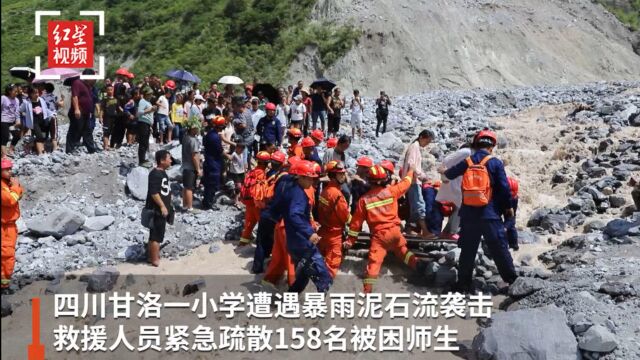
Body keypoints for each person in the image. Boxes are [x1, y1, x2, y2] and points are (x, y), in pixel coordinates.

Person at [440, 129, 518, 293]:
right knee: (499, 248)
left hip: (468, 215)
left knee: (468, 251)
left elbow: (448, 175)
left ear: (476, 144)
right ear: (492, 147)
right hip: (490, 214)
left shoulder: (468, 161)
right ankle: (512, 281)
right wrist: (508, 208)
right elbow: (504, 189)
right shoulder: (495, 162)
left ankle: (463, 284)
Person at [344, 165, 425, 293]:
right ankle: (417, 265)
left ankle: (367, 290)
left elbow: (355, 224)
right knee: (403, 251)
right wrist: (410, 171)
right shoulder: (391, 191)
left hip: (379, 237)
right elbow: (406, 183)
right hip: (395, 233)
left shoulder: (364, 200)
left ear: (369, 180)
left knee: (374, 263)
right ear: (385, 179)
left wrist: (350, 241)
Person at [283, 160, 333, 293]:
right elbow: (294, 215)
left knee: (304, 274)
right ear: (301, 177)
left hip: (294, 240)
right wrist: (309, 232)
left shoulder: (291, 189)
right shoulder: (298, 194)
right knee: (323, 276)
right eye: (310, 179)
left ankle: (290, 299)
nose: (313, 182)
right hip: (302, 242)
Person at [254, 155, 299, 275]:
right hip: (275, 215)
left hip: (265, 210)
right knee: (274, 242)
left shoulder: (269, 174)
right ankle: (269, 266)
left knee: (261, 240)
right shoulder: (287, 180)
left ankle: (258, 266)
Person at [317, 160, 350, 278]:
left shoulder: (325, 191)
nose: (343, 176)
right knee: (331, 266)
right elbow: (345, 217)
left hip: (323, 231)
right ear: (333, 176)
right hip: (334, 235)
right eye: (340, 174)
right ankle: (323, 289)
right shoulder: (337, 195)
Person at [402, 129, 436, 239]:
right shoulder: (414, 147)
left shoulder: (415, 147)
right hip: (413, 181)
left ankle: (409, 228)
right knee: (419, 205)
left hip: (413, 180)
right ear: (421, 137)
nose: (427, 144)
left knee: (415, 206)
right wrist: (422, 176)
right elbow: (412, 165)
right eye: (427, 141)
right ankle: (425, 232)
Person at [436, 142, 473, 240]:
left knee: (458, 207)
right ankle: (452, 232)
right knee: (460, 207)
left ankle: (446, 232)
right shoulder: (467, 152)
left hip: (454, 181)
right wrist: (445, 174)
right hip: (455, 183)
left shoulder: (466, 153)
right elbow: (447, 160)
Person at [145, 150, 174, 267]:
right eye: (169, 158)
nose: (171, 160)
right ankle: (154, 259)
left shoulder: (162, 173)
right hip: (156, 209)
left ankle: (151, 256)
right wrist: (162, 206)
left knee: (157, 234)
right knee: (156, 235)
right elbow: (154, 193)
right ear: (162, 160)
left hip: (162, 208)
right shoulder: (155, 174)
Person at [238, 151, 271, 246]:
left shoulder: (251, 172)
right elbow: (260, 191)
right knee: (262, 225)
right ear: (266, 163)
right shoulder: (261, 175)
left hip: (248, 203)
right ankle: (262, 245)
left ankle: (243, 243)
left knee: (248, 224)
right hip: (257, 204)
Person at [1, 158, 23, 289]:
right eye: (6, 169)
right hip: (4, 227)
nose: (10, 172)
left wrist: (15, 188)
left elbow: (18, 195)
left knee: (7, 255)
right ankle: (4, 285)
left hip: (9, 226)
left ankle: (4, 283)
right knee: (7, 255)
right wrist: (15, 187)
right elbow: (10, 200)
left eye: (10, 169)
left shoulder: (7, 184)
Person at [66, 69, 98, 154]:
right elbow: (74, 96)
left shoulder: (87, 85)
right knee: (74, 130)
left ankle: (91, 149)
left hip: (86, 113)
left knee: (87, 131)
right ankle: (69, 150)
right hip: (78, 112)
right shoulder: (77, 83)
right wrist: (76, 109)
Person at [20, 86, 54, 155]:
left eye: (37, 92)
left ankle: (30, 146)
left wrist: (52, 114)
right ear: (30, 94)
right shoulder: (26, 102)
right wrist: (25, 114)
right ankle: (41, 153)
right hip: (34, 122)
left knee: (44, 137)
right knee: (39, 136)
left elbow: (46, 109)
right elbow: (20, 110)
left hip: (43, 121)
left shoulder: (41, 100)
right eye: (34, 93)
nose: (37, 94)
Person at [202, 116, 226, 210]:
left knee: (208, 184)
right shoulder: (215, 137)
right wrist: (229, 156)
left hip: (209, 162)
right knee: (212, 184)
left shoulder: (210, 134)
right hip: (213, 164)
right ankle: (208, 203)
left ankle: (206, 202)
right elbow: (220, 151)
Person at [181, 117, 202, 212]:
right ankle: (190, 207)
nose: (198, 129)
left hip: (184, 165)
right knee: (189, 188)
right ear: (192, 128)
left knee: (185, 186)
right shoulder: (193, 140)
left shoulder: (185, 137)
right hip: (190, 167)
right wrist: (198, 169)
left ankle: (184, 205)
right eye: (197, 128)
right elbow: (194, 156)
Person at [136, 87, 157, 167]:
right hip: (143, 123)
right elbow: (139, 112)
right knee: (143, 142)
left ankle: (143, 159)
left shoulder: (147, 102)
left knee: (145, 142)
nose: (151, 96)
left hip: (147, 124)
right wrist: (150, 110)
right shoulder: (142, 101)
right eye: (150, 94)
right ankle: (141, 160)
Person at [40, 83, 63, 152]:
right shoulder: (54, 96)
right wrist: (63, 99)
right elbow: (60, 105)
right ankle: (55, 148)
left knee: (44, 131)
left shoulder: (41, 97)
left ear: (45, 89)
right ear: (53, 89)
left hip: (44, 116)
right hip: (52, 116)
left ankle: (42, 148)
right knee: (54, 132)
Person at [1, 84, 21, 158]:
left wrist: (18, 120)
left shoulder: (17, 100)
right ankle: (4, 155)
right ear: (9, 91)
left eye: (17, 92)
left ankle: (10, 150)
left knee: (17, 135)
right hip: (3, 121)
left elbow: (17, 112)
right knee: (5, 137)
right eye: (15, 91)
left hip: (12, 121)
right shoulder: (3, 98)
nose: (16, 93)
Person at [98, 84, 120, 151]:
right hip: (106, 118)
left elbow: (118, 108)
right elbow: (102, 109)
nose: (110, 91)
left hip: (114, 118)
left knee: (113, 132)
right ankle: (105, 146)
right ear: (106, 91)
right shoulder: (104, 100)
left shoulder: (116, 99)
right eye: (108, 90)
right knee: (106, 132)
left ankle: (111, 145)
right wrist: (100, 117)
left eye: (111, 90)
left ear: (113, 90)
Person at [505, 176, 520, 250]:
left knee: (498, 218)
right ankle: (514, 244)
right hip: (514, 198)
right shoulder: (511, 180)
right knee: (511, 220)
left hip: (504, 199)